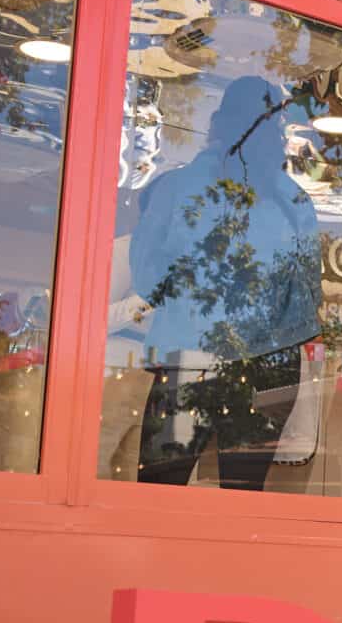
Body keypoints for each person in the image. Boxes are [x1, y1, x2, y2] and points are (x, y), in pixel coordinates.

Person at [129, 75, 323, 490]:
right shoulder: (294, 202)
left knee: (160, 492)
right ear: (277, 131)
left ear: (217, 124)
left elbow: (148, 280)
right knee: (242, 494)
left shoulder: (177, 188)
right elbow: (307, 298)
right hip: (269, 362)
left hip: (190, 355)